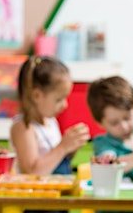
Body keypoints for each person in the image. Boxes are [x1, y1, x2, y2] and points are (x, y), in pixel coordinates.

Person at [9, 55, 90, 213]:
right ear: (37, 95)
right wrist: (62, 147)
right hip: (37, 205)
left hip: (57, 200)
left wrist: (70, 149)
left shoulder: (51, 122)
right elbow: (32, 172)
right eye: (59, 99)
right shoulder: (23, 127)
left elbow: (56, 162)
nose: (65, 105)